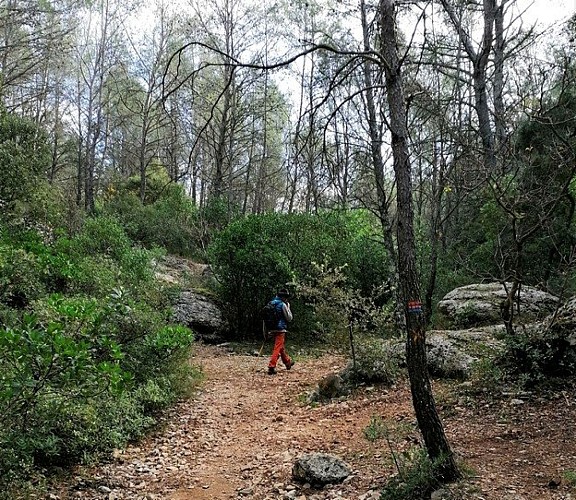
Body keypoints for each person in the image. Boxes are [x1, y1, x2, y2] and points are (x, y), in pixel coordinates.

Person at [266, 288, 294, 375]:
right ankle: (271, 366)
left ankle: (287, 362)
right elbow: (289, 318)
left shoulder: (271, 303)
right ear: (284, 297)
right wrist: (288, 307)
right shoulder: (283, 305)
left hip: (271, 328)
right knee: (278, 347)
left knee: (280, 347)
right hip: (280, 329)